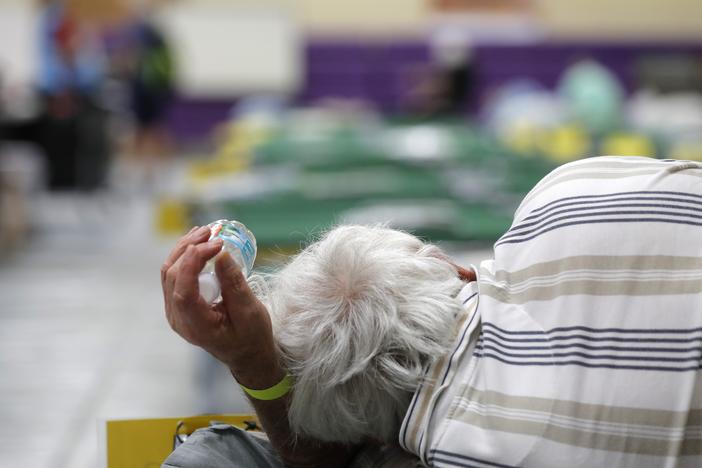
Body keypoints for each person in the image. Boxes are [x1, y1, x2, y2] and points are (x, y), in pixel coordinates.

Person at [161, 156, 702, 467]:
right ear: (453, 267)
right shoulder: (570, 193)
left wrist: (254, 366)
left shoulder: (465, 457)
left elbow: (316, 461)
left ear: (378, 440)